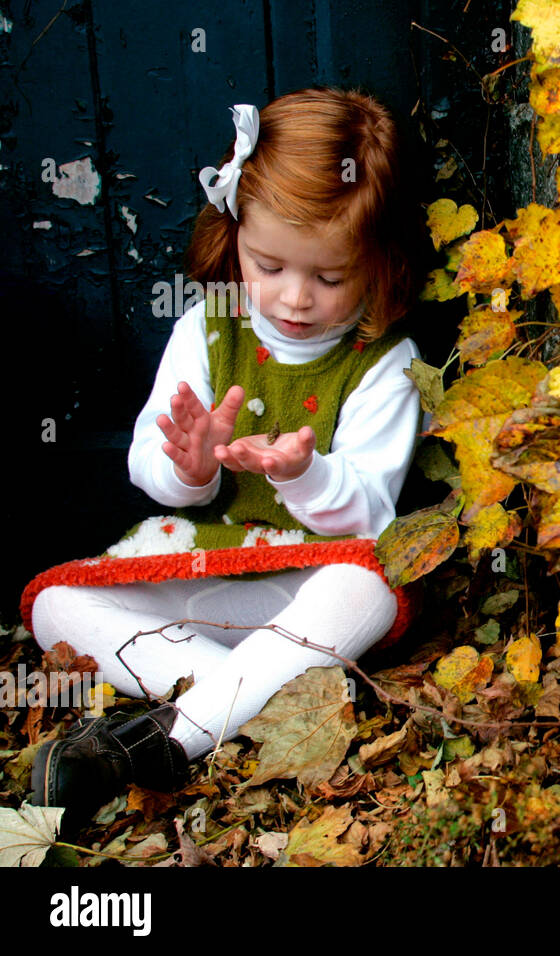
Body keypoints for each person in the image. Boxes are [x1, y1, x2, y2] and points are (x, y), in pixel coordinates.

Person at [22, 89, 425, 835]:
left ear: (380, 263)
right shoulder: (207, 328)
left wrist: (303, 473)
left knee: (367, 585)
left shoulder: (386, 366)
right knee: (53, 606)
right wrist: (190, 466)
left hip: (308, 593)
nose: (295, 298)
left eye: (329, 277)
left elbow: (374, 513)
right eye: (268, 265)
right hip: (208, 585)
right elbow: (151, 460)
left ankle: (169, 738)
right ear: (234, 232)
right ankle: (249, 701)